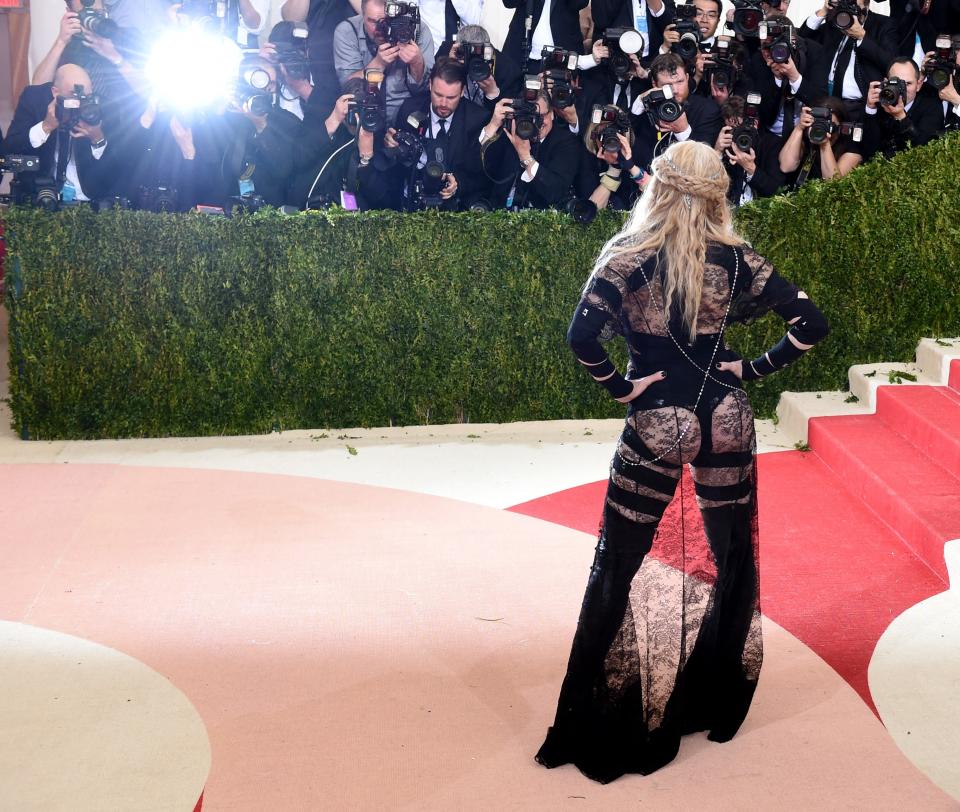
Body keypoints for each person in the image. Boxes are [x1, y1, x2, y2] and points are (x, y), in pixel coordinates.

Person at [536, 139, 828, 782]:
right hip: (726, 415)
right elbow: (810, 322)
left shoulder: (627, 254)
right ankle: (714, 701)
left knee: (622, 559)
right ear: (717, 194)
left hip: (658, 420)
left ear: (656, 187)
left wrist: (619, 387)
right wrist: (753, 368)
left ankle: (604, 714)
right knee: (729, 558)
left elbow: (581, 336)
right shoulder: (736, 257)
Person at [333, 0, 435, 124]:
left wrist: (417, 62)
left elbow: (426, 92)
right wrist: (378, 64)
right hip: (363, 120)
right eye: (373, 21)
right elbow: (347, 90)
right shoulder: (348, 31)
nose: (380, 28)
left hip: (405, 120)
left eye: (386, 21)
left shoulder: (417, 30)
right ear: (362, 15)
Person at [863, 56, 944, 159]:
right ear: (886, 82)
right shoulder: (879, 100)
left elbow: (926, 152)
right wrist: (870, 109)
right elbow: (866, 151)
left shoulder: (931, 105)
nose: (902, 90)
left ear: (918, 85)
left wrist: (901, 117)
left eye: (908, 84)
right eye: (897, 83)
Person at [779, 96, 862, 187]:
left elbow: (832, 187)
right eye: (818, 122)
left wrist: (825, 145)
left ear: (842, 127)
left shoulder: (851, 152)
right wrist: (799, 128)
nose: (822, 128)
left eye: (829, 124)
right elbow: (786, 167)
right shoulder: (806, 138)